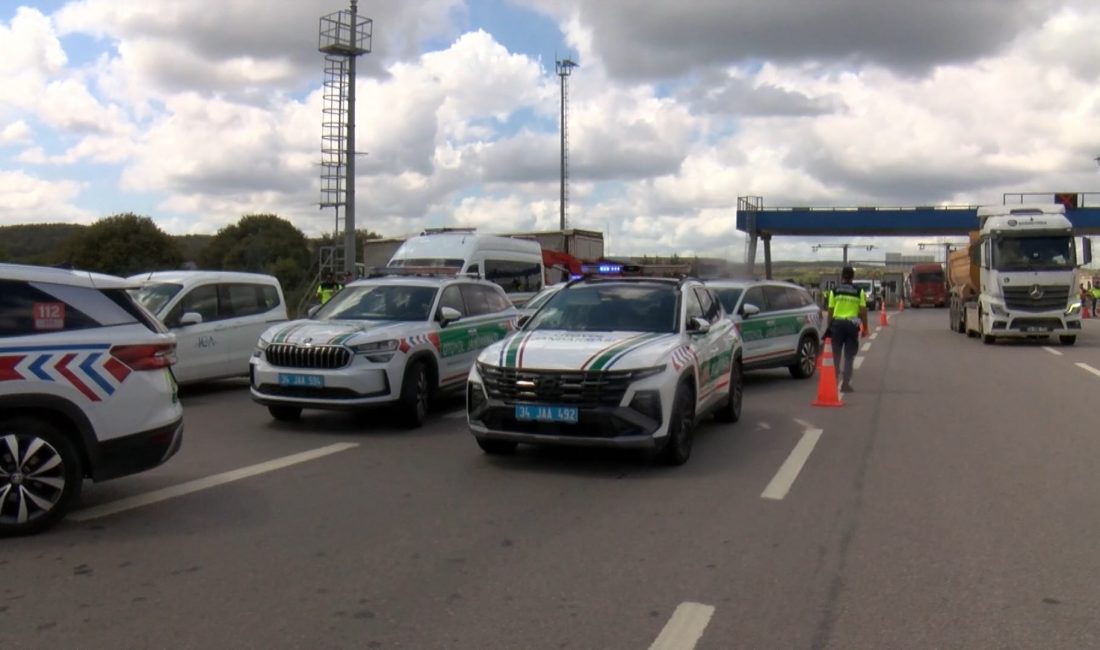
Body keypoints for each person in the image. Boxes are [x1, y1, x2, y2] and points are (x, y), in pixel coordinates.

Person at [827, 266, 869, 393]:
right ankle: (845, 384)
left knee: (836, 355)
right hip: (852, 324)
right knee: (849, 356)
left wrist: (829, 327)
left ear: (842, 276)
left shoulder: (834, 291)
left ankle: (833, 381)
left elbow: (830, 311)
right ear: (852, 277)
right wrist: (865, 328)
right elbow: (863, 311)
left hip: (837, 325)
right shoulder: (859, 291)